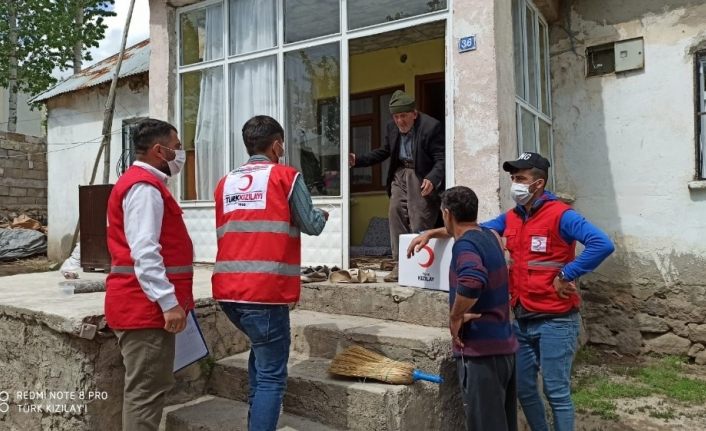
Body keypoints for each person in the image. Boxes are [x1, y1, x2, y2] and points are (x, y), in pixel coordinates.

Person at [412, 152, 614, 431]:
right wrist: (432, 233)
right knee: (525, 390)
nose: (514, 184)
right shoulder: (512, 217)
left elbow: (601, 244)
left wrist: (568, 274)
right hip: (521, 319)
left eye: (521, 178)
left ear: (538, 183)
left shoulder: (562, 215)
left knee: (556, 392)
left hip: (555, 318)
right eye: (512, 178)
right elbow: (470, 228)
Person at [212, 115, 328, 431]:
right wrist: (323, 213)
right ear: (276, 144)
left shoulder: (225, 182)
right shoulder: (285, 177)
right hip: (264, 292)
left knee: (261, 359)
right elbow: (312, 224)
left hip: (227, 291)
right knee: (271, 378)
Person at [104, 118, 193, 431]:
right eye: (177, 148)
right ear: (160, 150)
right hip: (144, 309)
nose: (181, 154)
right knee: (146, 395)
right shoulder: (144, 188)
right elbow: (145, 252)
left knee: (145, 391)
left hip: (140, 305)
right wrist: (168, 302)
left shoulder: (143, 184)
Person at [408, 186, 518, 431]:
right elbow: (458, 233)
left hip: (481, 354)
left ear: (447, 214)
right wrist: (430, 233)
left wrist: (455, 316)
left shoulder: (464, 247)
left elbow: (471, 279)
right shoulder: (489, 236)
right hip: (504, 349)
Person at [349, 89, 444, 281]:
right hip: (400, 174)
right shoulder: (391, 127)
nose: (400, 121)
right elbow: (384, 151)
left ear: (414, 114)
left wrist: (432, 178)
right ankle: (400, 266)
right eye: (396, 116)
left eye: (404, 116)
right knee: (395, 215)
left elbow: (441, 158)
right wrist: (358, 160)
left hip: (420, 175)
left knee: (419, 218)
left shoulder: (431, 127)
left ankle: (420, 267)